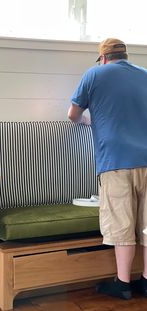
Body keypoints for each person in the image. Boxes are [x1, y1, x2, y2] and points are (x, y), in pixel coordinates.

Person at [68, 38, 147, 300]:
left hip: (115, 160)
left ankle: (123, 283)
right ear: (125, 56)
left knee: (122, 223)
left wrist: (86, 120)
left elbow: (73, 114)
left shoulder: (94, 74)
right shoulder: (144, 75)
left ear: (102, 58)